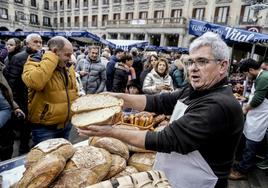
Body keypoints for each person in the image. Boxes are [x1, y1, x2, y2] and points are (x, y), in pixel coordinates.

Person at [77, 32, 244, 188]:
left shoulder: (219, 105)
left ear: (222, 66)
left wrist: (109, 131)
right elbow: (158, 101)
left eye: (202, 61)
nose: (193, 68)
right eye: (191, 62)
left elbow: (164, 139)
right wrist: (118, 97)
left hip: (199, 182)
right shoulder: (194, 90)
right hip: (177, 176)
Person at [22, 36, 78, 146]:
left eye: (71, 54)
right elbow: (36, 83)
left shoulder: (67, 65)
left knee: (63, 158)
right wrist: (51, 58)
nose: (70, 58)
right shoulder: (34, 61)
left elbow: (73, 90)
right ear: (54, 52)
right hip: (45, 129)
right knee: (47, 160)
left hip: (66, 125)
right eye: (67, 54)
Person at [229, 58, 268, 179]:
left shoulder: (264, 77)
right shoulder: (261, 77)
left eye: (246, 73)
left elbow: (258, 99)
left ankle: (243, 171)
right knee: (247, 139)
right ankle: (241, 165)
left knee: (252, 142)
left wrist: (245, 109)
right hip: (255, 115)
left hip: (260, 117)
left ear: (251, 70)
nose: (246, 76)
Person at [4, 33, 42, 155]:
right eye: (35, 42)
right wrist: (16, 105)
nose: (38, 44)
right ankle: (23, 155)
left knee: (34, 131)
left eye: (40, 42)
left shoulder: (42, 57)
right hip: (23, 101)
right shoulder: (19, 58)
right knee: (24, 135)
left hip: (37, 101)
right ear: (27, 43)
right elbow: (12, 83)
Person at [0, 60, 25, 161]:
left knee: (6, 151)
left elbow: (5, 92)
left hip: (4, 127)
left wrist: (15, 107)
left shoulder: (2, 68)